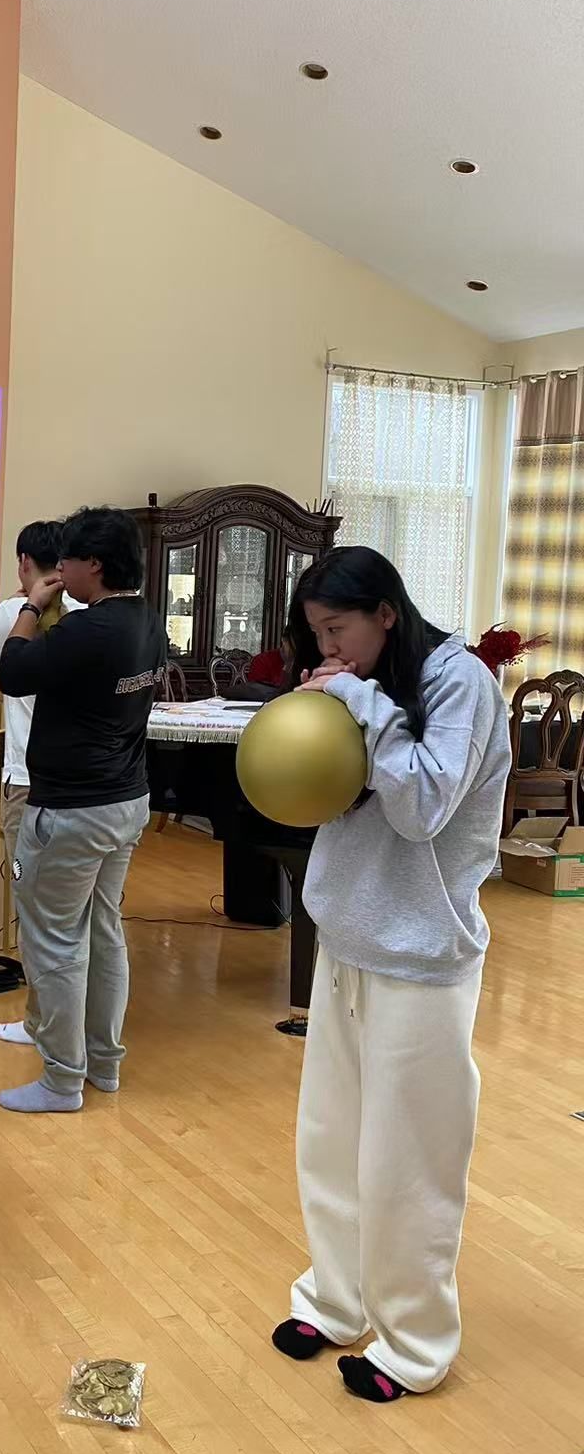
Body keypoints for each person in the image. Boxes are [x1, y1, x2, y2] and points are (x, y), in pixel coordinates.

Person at [270, 547, 508, 1403]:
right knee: (329, 1140)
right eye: (317, 633)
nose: (329, 647)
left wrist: (359, 702)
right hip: (349, 940)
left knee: (408, 1158)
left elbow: (422, 808)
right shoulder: (363, 680)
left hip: (423, 958)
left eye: (338, 629)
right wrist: (330, 707)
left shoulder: (460, 683)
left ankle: (414, 1344)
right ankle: (336, 1298)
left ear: (387, 613)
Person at [0, 506, 161, 1113]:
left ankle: (63, 1080)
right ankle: (104, 1065)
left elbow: (12, 671)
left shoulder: (87, 630)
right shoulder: (147, 621)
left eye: (66, 558)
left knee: (56, 943)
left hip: (73, 808)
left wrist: (32, 606)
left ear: (94, 564)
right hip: (125, 800)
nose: (57, 568)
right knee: (104, 931)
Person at [0, 519, 80, 1046]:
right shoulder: (90, 611)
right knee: (77, 912)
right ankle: (78, 1018)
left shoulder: (15, 613)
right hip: (84, 782)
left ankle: (41, 1022)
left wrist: (12, 605)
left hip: (29, 783)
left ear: (25, 564)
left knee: (31, 904)